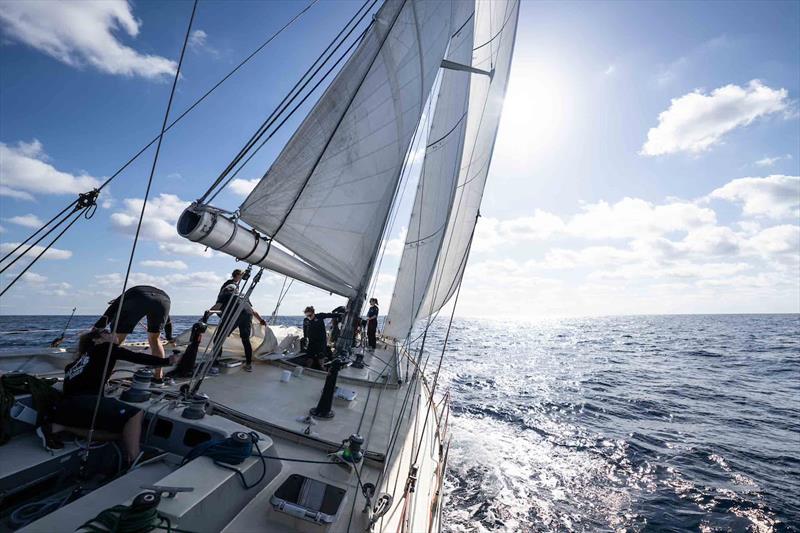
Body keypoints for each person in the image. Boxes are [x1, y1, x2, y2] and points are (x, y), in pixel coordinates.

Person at [42, 330, 177, 463]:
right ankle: (135, 458)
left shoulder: (75, 364)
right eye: (106, 333)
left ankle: (58, 426)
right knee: (135, 414)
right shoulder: (105, 347)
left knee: (120, 434)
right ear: (97, 340)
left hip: (67, 407)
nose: (113, 334)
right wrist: (168, 361)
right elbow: (136, 357)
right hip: (83, 402)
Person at [93, 285, 174, 381]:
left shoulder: (123, 299)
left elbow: (108, 315)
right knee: (155, 339)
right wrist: (169, 337)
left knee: (115, 341)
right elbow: (167, 321)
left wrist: (97, 328)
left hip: (138, 296)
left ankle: (103, 376)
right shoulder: (134, 296)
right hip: (164, 300)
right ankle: (158, 377)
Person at [206, 282, 266, 372]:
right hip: (247, 314)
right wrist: (261, 320)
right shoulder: (243, 295)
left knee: (218, 339)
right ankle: (248, 365)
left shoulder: (226, 294)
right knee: (245, 340)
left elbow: (217, 307)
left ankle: (215, 364)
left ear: (226, 289)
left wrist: (206, 316)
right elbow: (253, 311)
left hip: (234, 314)